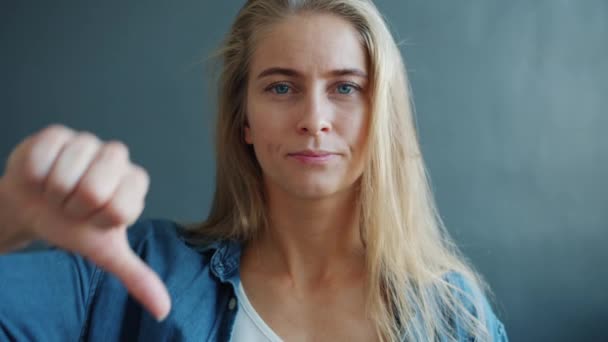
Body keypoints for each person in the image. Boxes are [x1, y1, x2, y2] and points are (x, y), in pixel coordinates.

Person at [0, 0, 509, 341]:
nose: (314, 120)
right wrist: (9, 217)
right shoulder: (129, 272)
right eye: (281, 87)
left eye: (346, 88)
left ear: (383, 115)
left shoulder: (451, 314)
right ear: (244, 118)